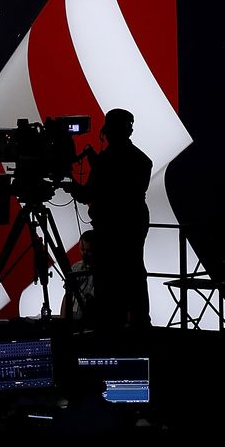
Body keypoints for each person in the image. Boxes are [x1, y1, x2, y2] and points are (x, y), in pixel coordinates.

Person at [61, 108, 152, 330]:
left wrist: (71, 184)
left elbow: (90, 194)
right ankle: (140, 323)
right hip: (135, 224)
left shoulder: (107, 161)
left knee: (109, 279)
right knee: (134, 273)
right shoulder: (140, 160)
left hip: (111, 229)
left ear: (108, 131)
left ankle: (111, 325)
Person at [60, 229, 96, 328]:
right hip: (73, 323)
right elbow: (67, 296)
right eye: (82, 250)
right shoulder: (76, 268)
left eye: (88, 251)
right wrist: (63, 321)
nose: (84, 253)